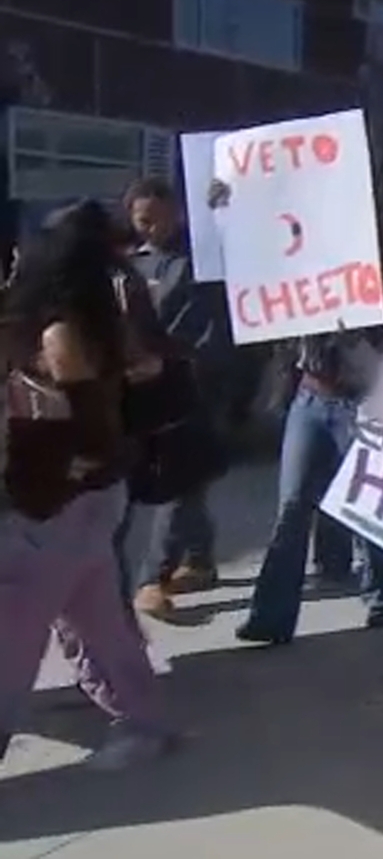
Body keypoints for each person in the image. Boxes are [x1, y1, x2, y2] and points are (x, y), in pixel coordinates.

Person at [0, 200, 175, 770]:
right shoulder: (94, 313)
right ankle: (143, 724)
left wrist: (85, 459)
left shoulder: (58, 331)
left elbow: (89, 421)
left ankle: (142, 724)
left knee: (15, 634)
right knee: (96, 623)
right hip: (90, 497)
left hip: (60, 500)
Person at [233, 202, 383, 644]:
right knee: (292, 507)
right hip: (312, 398)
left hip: (363, 403)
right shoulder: (305, 276)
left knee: (368, 509)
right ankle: (271, 616)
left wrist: (356, 334)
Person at [117, 177, 232, 619]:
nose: (151, 228)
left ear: (178, 214)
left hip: (191, 383)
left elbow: (195, 326)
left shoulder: (200, 260)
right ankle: (200, 559)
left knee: (177, 480)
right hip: (144, 388)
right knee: (189, 480)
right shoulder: (130, 263)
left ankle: (152, 577)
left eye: (159, 219)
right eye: (142, 220)